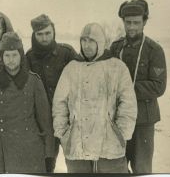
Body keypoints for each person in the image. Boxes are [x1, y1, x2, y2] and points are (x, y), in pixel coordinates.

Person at [52, 23, 137, 173]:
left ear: (101, 42)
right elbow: (60, 103)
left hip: (109, 145)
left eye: (91, 41)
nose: (86, 45)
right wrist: (63, 133)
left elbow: (128, 103)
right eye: (83, 41)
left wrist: (121, 133)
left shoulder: (117, 67)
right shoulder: (71, 68)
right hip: (77, 145)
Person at [0, 32, 55, 173]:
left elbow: (45, 122)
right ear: (1, 57)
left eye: (14, 55)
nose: (11, 60)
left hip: (29, 150)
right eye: (6, 55)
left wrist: (49, 155)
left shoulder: (34, 82)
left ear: (21, 56)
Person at [110, 0, 167, 173]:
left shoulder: (154, 50)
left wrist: (127, 89)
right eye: (128, 23)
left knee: (142, 168)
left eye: (136, 23)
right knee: (116, 167)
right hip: (118, 118)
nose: (132, 27)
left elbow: (158, 86)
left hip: (143, 120)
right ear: (123, 22)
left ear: (144, 22)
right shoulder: (116, 47)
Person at [25, 14, 77, 172]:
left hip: (67, 119)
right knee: (46, 164)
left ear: (54, 32)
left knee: (75, 162)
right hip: (44, 123)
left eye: (48, 33)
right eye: (39, 34)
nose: (44, 38)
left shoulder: (66, 52)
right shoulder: (29, 57)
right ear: (34, 35)